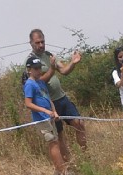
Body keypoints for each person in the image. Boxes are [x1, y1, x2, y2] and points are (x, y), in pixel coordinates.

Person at [28, 29, 86, 163]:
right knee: (59, 135)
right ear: (31, 43)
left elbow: (64, 70)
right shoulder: (31, 61)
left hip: (62, 98)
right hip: (49, 103)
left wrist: (73, 62)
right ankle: (68, 164)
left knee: (79, 123)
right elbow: (38, 82)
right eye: (37, 42)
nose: (41, 45)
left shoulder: (49, 55)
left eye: (42, 42)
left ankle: (85, 158)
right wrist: (52, 69)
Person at [23, 57, 66, 175]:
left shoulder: (41, 82)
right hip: (41, 119)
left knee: (56, 141)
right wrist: (45, 111)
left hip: (50, 117)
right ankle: (62, 171)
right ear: (29, 70)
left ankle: (59, 171)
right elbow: (28, 104)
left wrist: (54, 111)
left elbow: (48, 98)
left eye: (40, 68)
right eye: (36, 69)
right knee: (53, 143)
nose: (39, 71)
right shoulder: (29, 84)